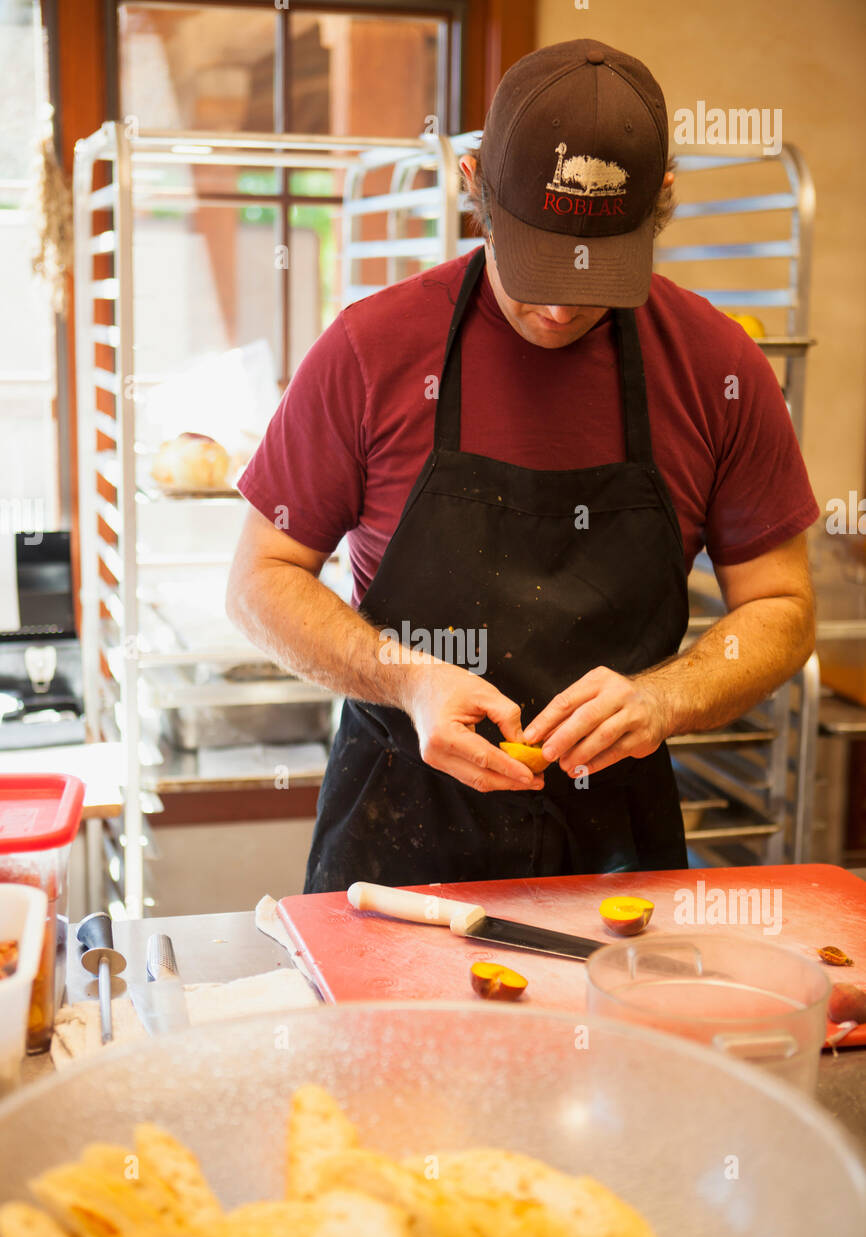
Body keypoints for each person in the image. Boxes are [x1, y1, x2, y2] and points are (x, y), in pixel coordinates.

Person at [227, 37, 818, 892]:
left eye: (598, 271)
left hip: (618, 854)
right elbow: (259, 577)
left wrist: (666, 698)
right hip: (397, 846)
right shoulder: (371, 349)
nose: (554, 302)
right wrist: (408, 677)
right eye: (532, 256)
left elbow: (784, 607)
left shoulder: (717, 367)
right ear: (473, 184)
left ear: (660, 204)